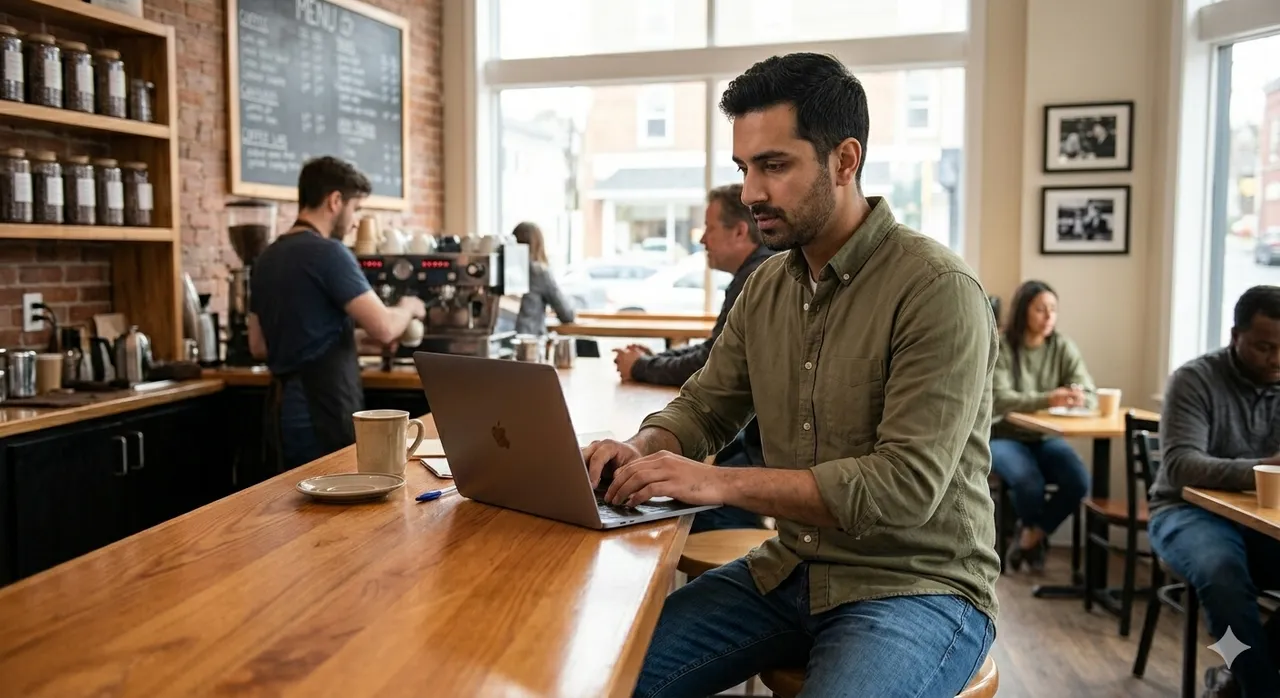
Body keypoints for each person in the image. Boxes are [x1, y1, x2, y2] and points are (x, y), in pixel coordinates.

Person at [582, 52, 998, 697]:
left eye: (774, 166)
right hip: (791, 566)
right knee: (599, 681)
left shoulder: (937, 289)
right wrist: (639, 451)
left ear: (845, 160)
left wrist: (714, 482)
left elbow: (903, 488)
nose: (750, 193)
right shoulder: (769, 286)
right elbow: (706, 408)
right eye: (744, 168)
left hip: (917, 587)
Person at [613, 183, 774, 533]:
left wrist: (642, 366)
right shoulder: (756, 275)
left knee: (662, 520)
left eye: (709, 229)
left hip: (752, 457)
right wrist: (655, 360)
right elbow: (714, 350)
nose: (701, 241)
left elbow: (705, 359)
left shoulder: (759, 277)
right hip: (748, 449)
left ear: (739, 231)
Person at [248, 156, 426, 470]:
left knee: (299, 507)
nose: (356, 221)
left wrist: (352, 341)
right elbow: (384, 327)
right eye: (355, 208)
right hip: (323, 406)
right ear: (334, 201)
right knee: (337, 507)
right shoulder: (329, 253)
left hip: (281, 410)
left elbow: (260, 345)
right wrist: (409, 307)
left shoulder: (266, 258)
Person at [1147, 285, 1280, 698]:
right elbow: (1182, 466)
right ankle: (1257, 688)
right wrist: (1263, 470)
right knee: (1221, 577)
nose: (1276, 359)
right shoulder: (1194, 379)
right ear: (1234, 336)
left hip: (1262, 517)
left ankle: (1238, 676)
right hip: (1184, 511)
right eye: (1263, 347)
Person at [989, 280, 1094, 574]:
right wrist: (1050, 398)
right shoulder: (1002, 345)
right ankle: (1032, 538)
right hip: (1003, 435)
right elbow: (1000, 398)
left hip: (1045, 437)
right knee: (1028, 482)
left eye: (1053, 310)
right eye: (1040, 310)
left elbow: (1089, 391)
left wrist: (1078, 396)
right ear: (1024, 311)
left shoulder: (1062, 346)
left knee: (1079, 481)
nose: (1048, 317)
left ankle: (1031, 535)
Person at [511, 221, 575, 336]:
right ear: (538, 244)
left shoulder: (504, 270)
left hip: (503, 341)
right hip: (528, 342)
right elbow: (566, 314)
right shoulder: (539, 272)